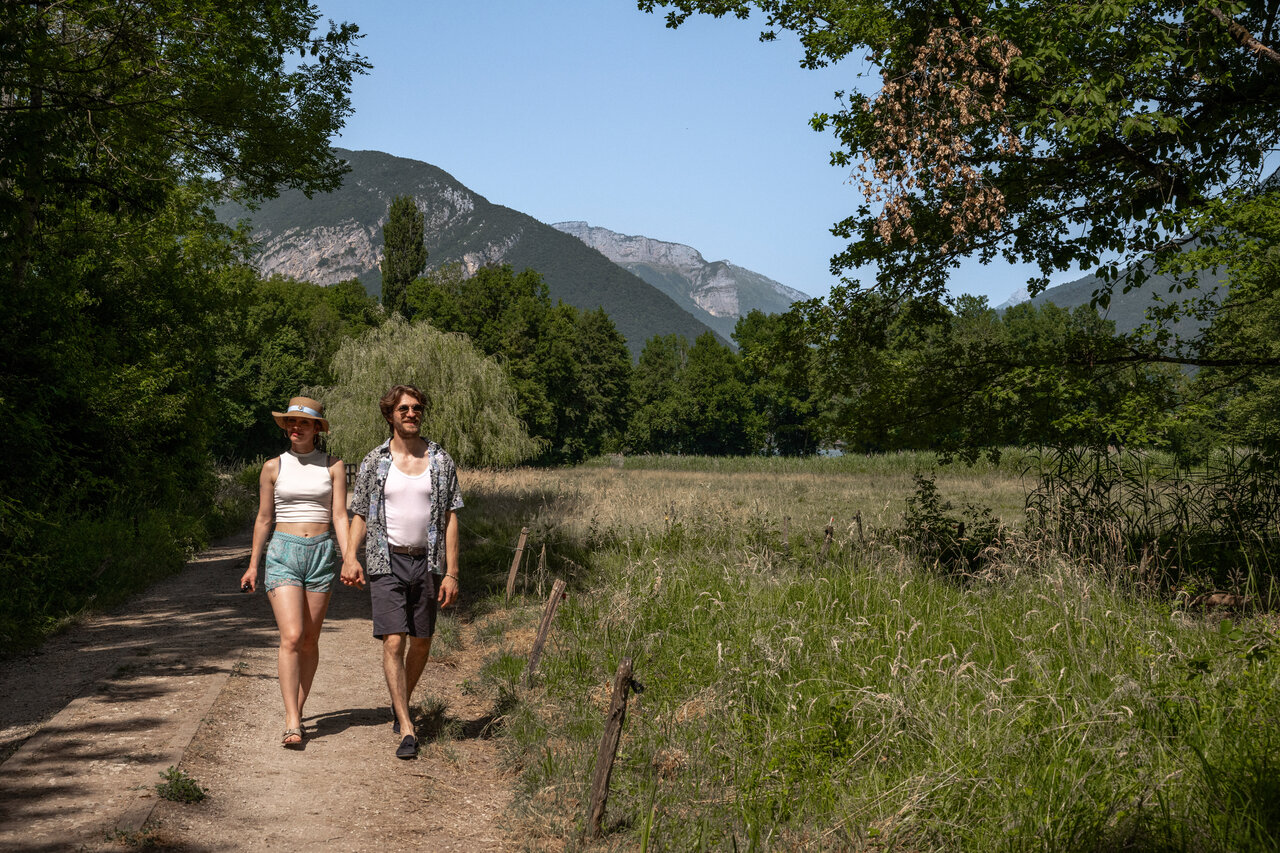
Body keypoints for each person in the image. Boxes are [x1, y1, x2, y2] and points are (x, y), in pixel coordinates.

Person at [342, 384, 464, 760]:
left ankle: (401, 705)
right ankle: (407, 729)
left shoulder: (441, 460)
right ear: (390, 414)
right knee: (394, 640)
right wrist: (350, 555)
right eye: (404, 409)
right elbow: (359, 512)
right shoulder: (374, 460)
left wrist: (452, 572)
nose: (411, 414)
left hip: (428, 563)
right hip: (385, 561)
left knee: (422, 640)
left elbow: (451, 517)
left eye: (417, 409)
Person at [240, 396, 350, 749]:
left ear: (317, 428)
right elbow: (264, 518)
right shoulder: (273, 467)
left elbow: (339, 517)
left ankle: (297, 711)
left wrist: (349, 558)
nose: (295, 428)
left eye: (302, 423)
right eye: (290, 422)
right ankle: (291, 720)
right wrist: (253, 563)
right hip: (283, 552)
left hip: (321, 554)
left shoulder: (334, 466)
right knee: (291, 636)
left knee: (309, 641)